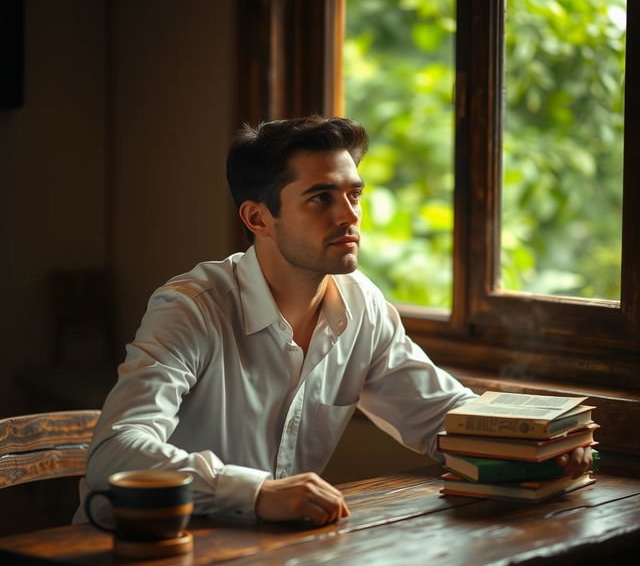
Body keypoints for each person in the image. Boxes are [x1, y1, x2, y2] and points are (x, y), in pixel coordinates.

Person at [75, 115, 591, 530]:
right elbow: (115, 453)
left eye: (354, 194)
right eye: (322, 197)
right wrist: (255, 492)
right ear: (258, 219)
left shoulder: (359, 304)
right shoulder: (192, 308)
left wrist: (539, 444)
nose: (349, 216)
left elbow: (440, 416)